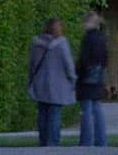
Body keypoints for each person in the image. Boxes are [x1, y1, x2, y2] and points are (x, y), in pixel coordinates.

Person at [28, 18, 76, 146]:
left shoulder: (37, 43)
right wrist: (73, 79)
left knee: (42, 113)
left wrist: (31, 80)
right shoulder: (62, 44)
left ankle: (43, 141)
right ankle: (52, 142)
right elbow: (68, 64)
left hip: (40, 83)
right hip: (57, 85)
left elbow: (32, 64)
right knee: (55, 114)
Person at [77, 11, 109, 147]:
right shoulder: (102, 38)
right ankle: (101, 141)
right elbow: (105, 58)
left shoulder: (88, 38)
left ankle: (86, 141)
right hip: (98, 74)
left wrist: (78, 72)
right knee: (97, 108)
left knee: (86, 110)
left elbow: (83, 59)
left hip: (87, 76)